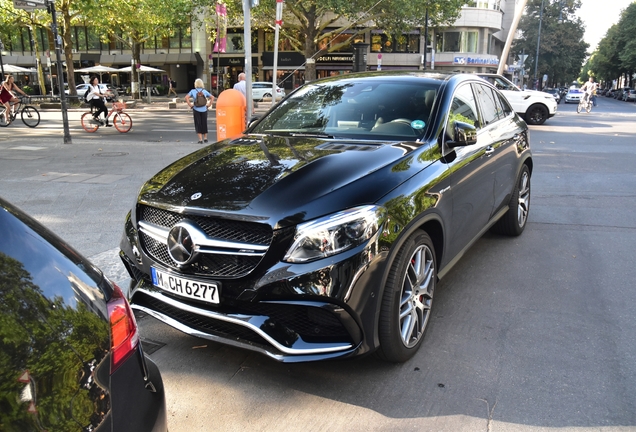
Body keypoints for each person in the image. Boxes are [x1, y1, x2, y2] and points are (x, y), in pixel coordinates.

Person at [185, 78, 214, 144]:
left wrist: (190, 105)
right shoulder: (204, 91)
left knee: (198, 124)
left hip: (196, 109)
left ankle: (200, 139)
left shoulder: (193, 91)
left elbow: (186, 97)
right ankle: (205, 138)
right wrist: (209, 104)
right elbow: (212, 97)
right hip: (204, 109)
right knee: (204, 123)